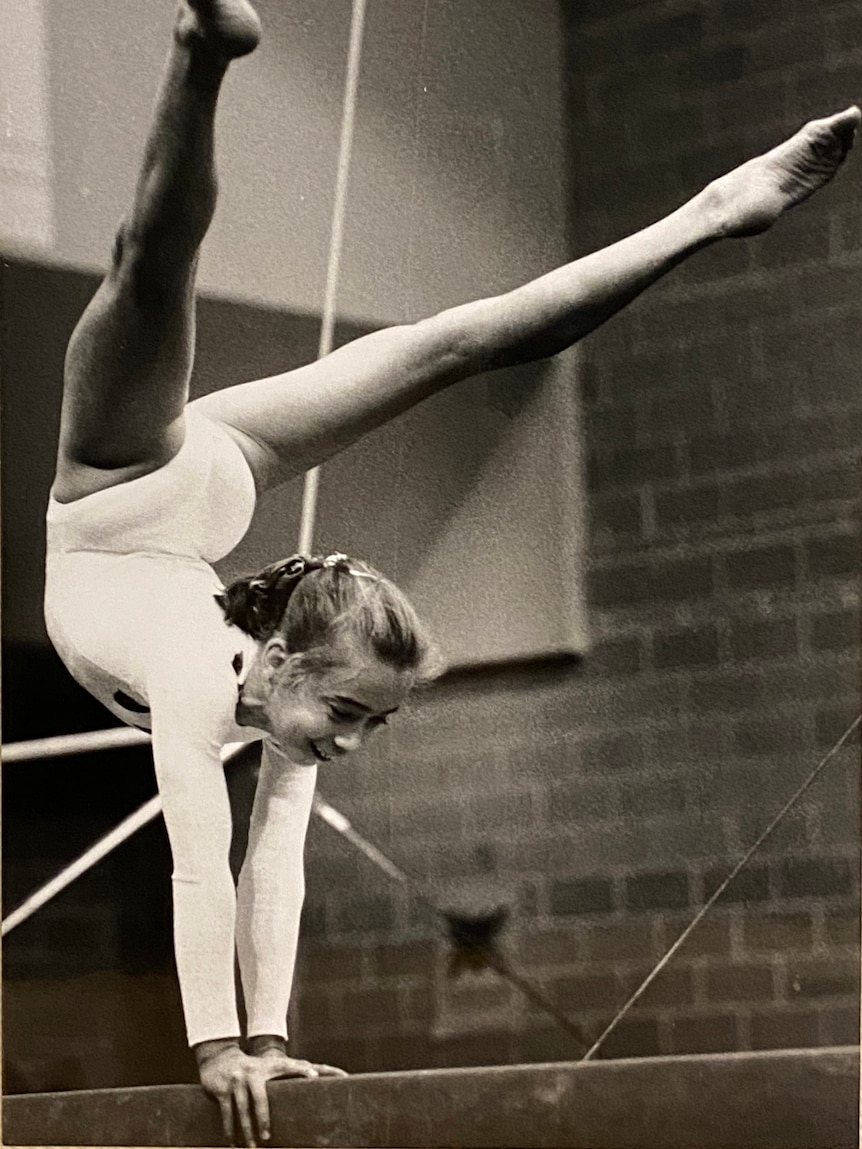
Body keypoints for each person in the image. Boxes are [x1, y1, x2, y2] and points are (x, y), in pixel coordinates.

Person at [43, 0, 858, 1143]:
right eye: (344, 715)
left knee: (455, 342)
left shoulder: (272, 700)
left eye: (367, 725)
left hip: (145, 504)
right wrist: (223, 1048)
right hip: (142, 495)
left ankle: (715, 213)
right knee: (153, 268)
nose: (346, 745)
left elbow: (271, 870)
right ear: (280, 661)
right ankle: (201, 49)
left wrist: (266, 1047)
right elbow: (202, 868)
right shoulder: (203, 683)